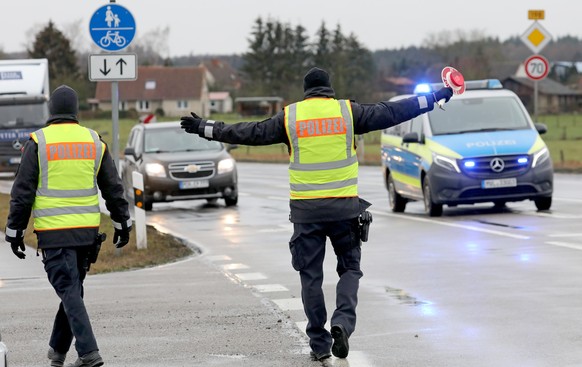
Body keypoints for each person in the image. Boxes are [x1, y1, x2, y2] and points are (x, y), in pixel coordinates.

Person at [180, 67, 453, 361]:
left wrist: (206, 128)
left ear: (306, 91)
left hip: (306, 212)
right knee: (350, 270)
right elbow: (393, 111)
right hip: (344, 209)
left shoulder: (291, 117)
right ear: (329, 89)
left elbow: (249, 132)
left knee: (311, 277)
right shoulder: (348, 113)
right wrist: (435, 97)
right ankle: (342, 323)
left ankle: (319, 344)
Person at [4, 85, 132, 367]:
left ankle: (89, 353)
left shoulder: (39, 142)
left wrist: (14, 232)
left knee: (70, 291)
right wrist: (123, 222)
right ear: (76, 110)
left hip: (54, 234)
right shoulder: (94, 141)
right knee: (72, 290)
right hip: (86, 234)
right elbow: (113, 187)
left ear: (51, 110)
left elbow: (22, 192)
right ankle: (58, 351)